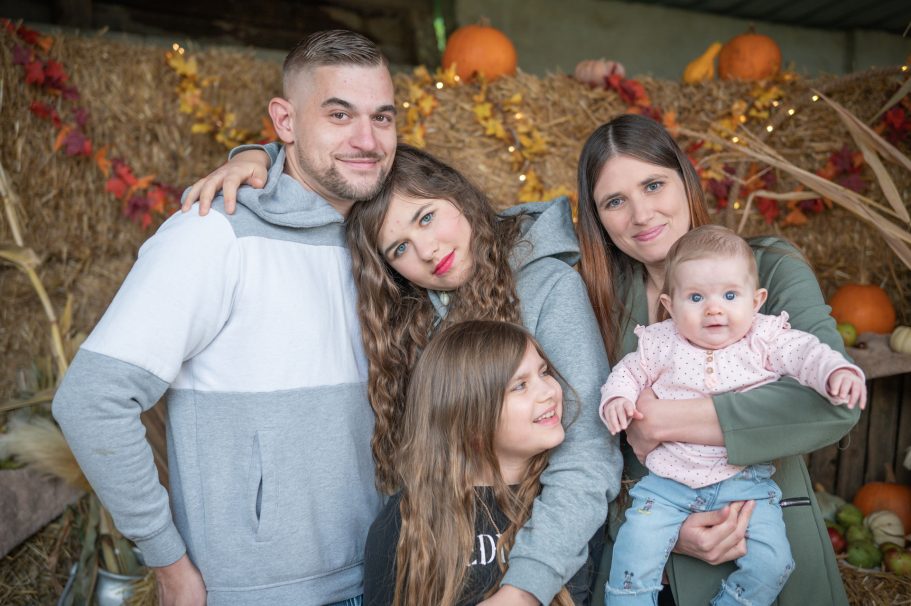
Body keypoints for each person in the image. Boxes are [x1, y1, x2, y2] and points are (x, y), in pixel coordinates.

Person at [185, 144, 623, 605]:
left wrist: (526, 588)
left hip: (540, 549)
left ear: (456, 193)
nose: (428, 251)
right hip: (439, 553)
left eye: (427, 217)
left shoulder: (548, 286)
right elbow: (327, 150)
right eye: (400, 248)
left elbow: (588, 452)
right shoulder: (406, 315)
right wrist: (263, 157)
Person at [52, 30, 397, 605]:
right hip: (260, 591)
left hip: (386, 573)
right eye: (339, 114)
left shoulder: (394, 241)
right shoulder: (215, 233)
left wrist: (254, 154)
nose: (367, 139)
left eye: (382, 118)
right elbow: (91, 400)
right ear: (285, 122)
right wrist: (167, 560)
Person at [575, 114, 862, 605]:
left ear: (685, 181)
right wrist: (662, 530)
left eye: (653, 184)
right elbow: (585, 444)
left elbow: (834, 404)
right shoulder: (598, 299)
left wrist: (662, 421)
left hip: (759, 533)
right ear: (597, 216)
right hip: (651, 554)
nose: (641, 215)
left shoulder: (769, 265)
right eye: (615, 201)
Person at [364, 320, 596, 605]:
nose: (549, 390)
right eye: (520, 386)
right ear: (470, 419)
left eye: (544, 372)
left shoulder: (564, 508)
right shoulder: (407, 521)